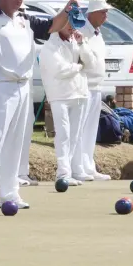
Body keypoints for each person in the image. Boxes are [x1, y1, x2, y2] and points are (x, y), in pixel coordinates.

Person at [0, 0, 74, 210]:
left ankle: (9, 193)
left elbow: (52, 26)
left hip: (23, 86)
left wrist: (67, 10)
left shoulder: (24, 17)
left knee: (16, 142)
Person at [39, 21, 95, 185]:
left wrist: (82, 43)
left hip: (79, 94)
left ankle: (68, 171)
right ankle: (63, 174)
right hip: (60, 95)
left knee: (75, 135)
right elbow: (60, 70)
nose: (72, 26)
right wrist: (79, 66)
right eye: (68, 22)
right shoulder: (50, 46)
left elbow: (90, 62)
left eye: (75, 23)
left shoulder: (77, 41)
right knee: (63, 135)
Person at [73, 0, 112, 182]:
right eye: (103, 12)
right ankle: (78, 167)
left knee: (90, 129)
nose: (106, 16)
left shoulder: (97, 33)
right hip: (84, 86)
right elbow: (82, 57)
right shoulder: (83, 31)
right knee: (80, 128)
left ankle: (89, 166)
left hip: (96, 86)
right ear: (92, 13)